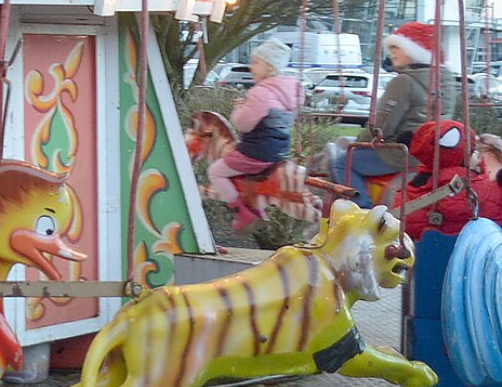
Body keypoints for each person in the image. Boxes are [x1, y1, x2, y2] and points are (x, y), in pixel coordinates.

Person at [332, 22, 458, 206]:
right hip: (432, 152)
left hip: (403, 153)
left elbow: (382, 124)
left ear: (415, 51)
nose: (392, 53)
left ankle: (362, 211)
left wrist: (359, 142)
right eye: (390, 48)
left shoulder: (404, 82)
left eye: (397, 47)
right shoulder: (446, 81)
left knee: (343, 162)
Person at [210, 39, 303, 231]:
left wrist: (238, 109)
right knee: (241, 172)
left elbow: (243, 124)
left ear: (270, 67)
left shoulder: (260, 93)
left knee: (216, 172)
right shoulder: (291, 91)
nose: (251, 67)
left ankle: (242, 214)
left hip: (257, 152)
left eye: (256, 62)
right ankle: (256, 210)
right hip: (279, 152)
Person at [393, 120, 502, 239]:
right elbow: (457, 206)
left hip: (415, 235)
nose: (477, 155)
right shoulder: (466, 183)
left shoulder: (424, 178)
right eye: (473, 151)